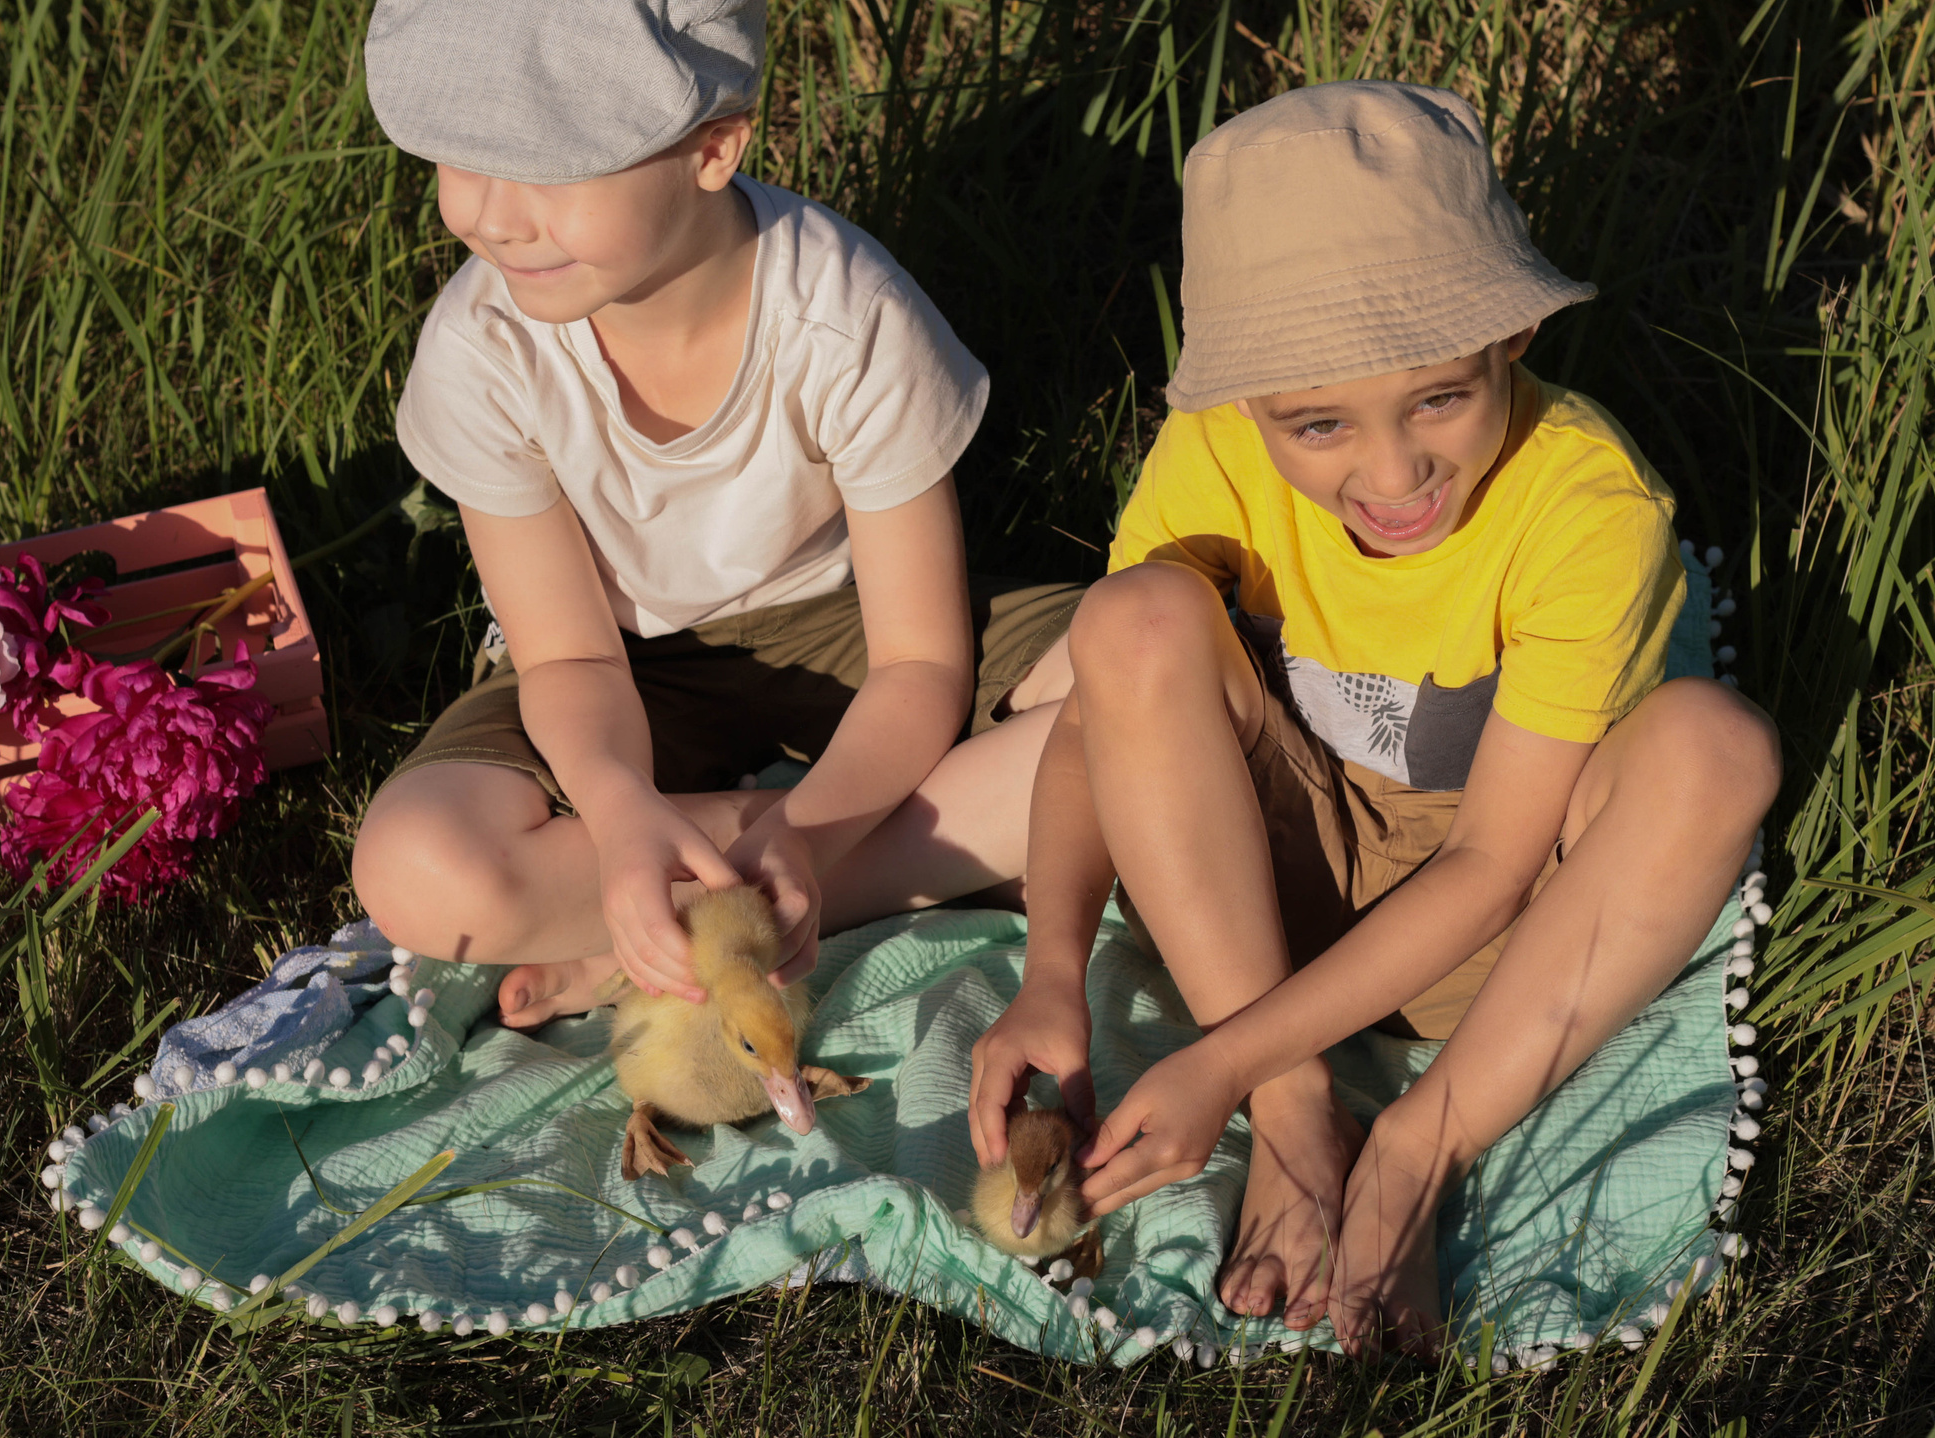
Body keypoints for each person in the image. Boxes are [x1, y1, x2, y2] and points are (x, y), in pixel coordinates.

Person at [966, 81, 1780, 1358]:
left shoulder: (1583, 500)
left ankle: (1413, 1146)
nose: (1394, 475)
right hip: (1265, 898)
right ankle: (1303, 1122)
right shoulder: (1212, 450)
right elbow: (1098, 723)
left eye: (1440, 399)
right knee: (1126, 620)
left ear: (1510, 339)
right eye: (1320, 425)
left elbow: (1493, 863)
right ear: (1246, 404)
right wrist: (1055, 972)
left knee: (1716, 747)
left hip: (1502, 931)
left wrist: (1216, 1062)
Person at [351, 0, 1078, 1027]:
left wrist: (811, 833)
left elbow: (918, 660)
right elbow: (567, 660)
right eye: (459, 159)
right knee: (416, 865)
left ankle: (659, 927)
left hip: (843, 621)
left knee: (1147, 664)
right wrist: (617, 816)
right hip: (618, 667)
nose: (491, 215)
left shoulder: (845, 317)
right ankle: (938, 851)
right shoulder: (483, 350)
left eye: (550, 172)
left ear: (712, 147)